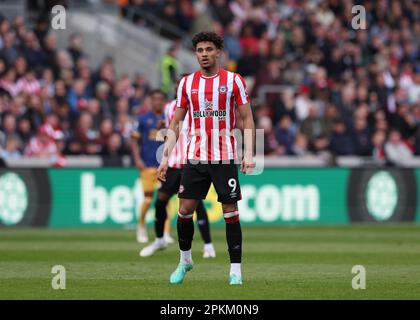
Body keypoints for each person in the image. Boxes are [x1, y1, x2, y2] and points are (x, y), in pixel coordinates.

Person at [157, 32, 255, 285]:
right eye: (199, 50)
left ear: (218, 52)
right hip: (196, 158)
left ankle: (235, 271)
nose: (203, 54)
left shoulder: (234, 81)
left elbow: (247, 117)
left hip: (225, 157)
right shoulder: (187, 83)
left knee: (230, 212)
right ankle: (185, 260)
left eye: (208, 49)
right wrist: (165, 158)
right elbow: (176, 122)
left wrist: (249, 153)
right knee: (184, 211)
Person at [140, 83, 216, 258]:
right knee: (160, 201)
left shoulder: (200, 105)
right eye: (178, 86)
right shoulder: (169, 107)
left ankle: (208, 245)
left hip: (192, 162)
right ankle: (159, 239)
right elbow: (170, 128)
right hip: (174, 163)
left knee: (197, 206)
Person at [131, 89, 174, 244]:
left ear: (163, 101)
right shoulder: (143, 119)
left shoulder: (169, 118)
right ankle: (141, 226)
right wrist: (137, 159)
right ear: (151, 101)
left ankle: (166, 232)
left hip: (164, 165)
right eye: (154, 99)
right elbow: (134, 140)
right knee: (148, 199)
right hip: (148, 164)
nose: (157, 102)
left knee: (166, 200)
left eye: (159, 99)